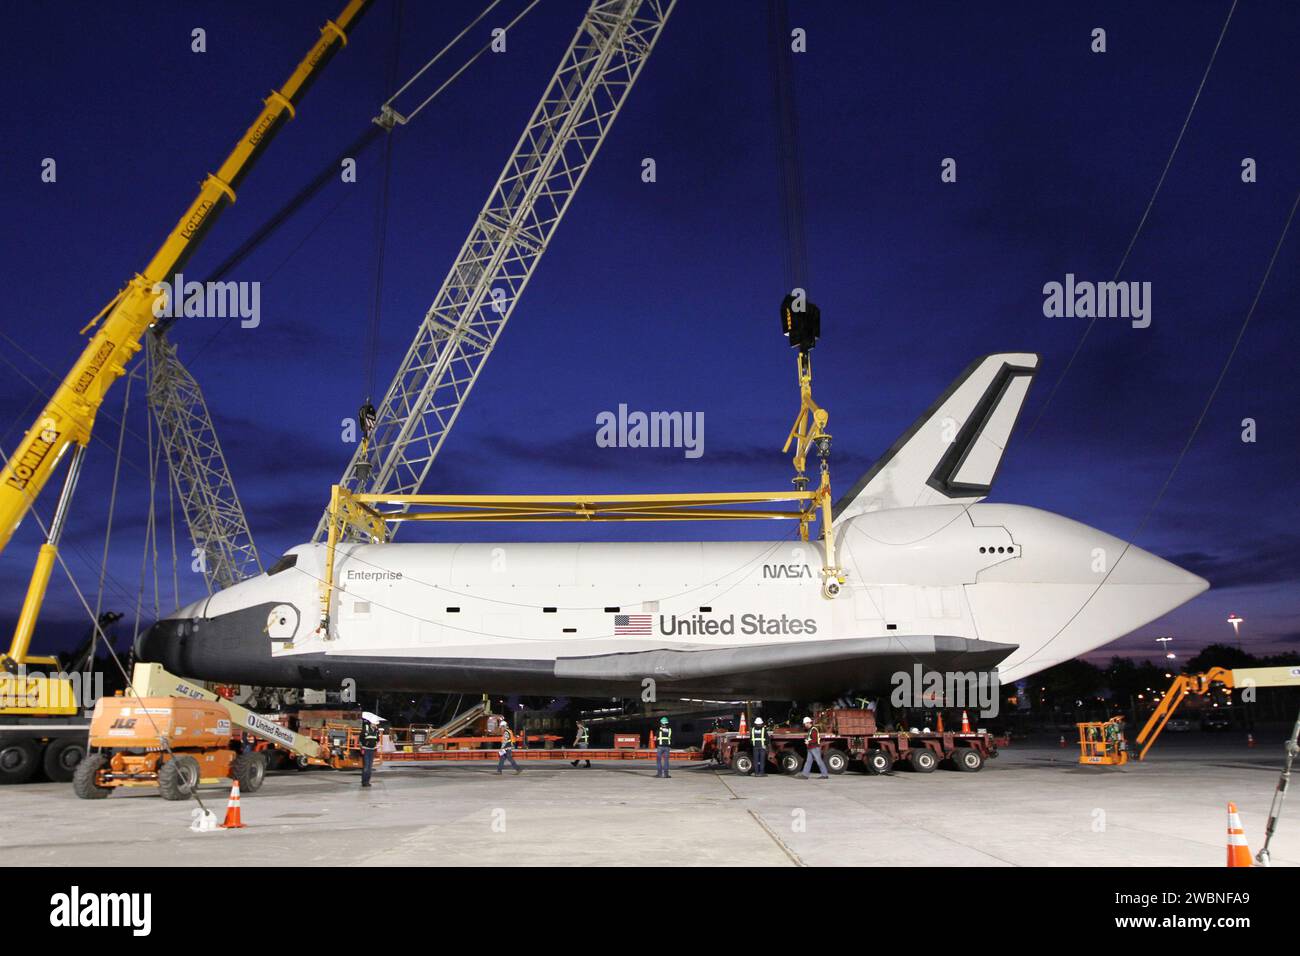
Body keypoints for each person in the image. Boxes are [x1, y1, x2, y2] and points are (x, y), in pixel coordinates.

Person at [359, 717, 380, 788]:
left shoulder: (376, 730)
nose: (376, 725)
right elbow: (361, 738)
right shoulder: (366, 728)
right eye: (375, 723)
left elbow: (377, 739)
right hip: (366, 749)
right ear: (372, 723)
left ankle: (367, 781)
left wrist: (375, 745)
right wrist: (363, 746)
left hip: (372, 750)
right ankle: (364, 782)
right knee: (366, 766)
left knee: (370, 767)